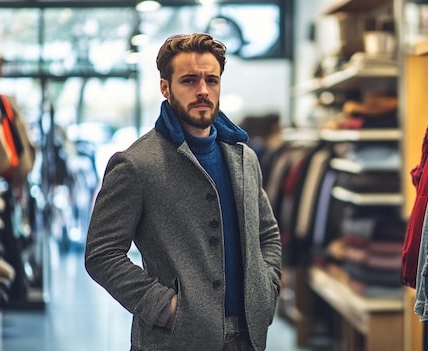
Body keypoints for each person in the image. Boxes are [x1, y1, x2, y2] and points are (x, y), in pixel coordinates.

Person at [84, 33, 282, 351]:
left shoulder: (244, 157)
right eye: (189, 80)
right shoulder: (135, 164)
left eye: (211, 80)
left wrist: (267, 288)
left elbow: (267, 233)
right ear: (166, 87)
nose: (202, 90)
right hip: (174, 339)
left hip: (249, 337)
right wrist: (163, 307)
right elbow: (102, 254)